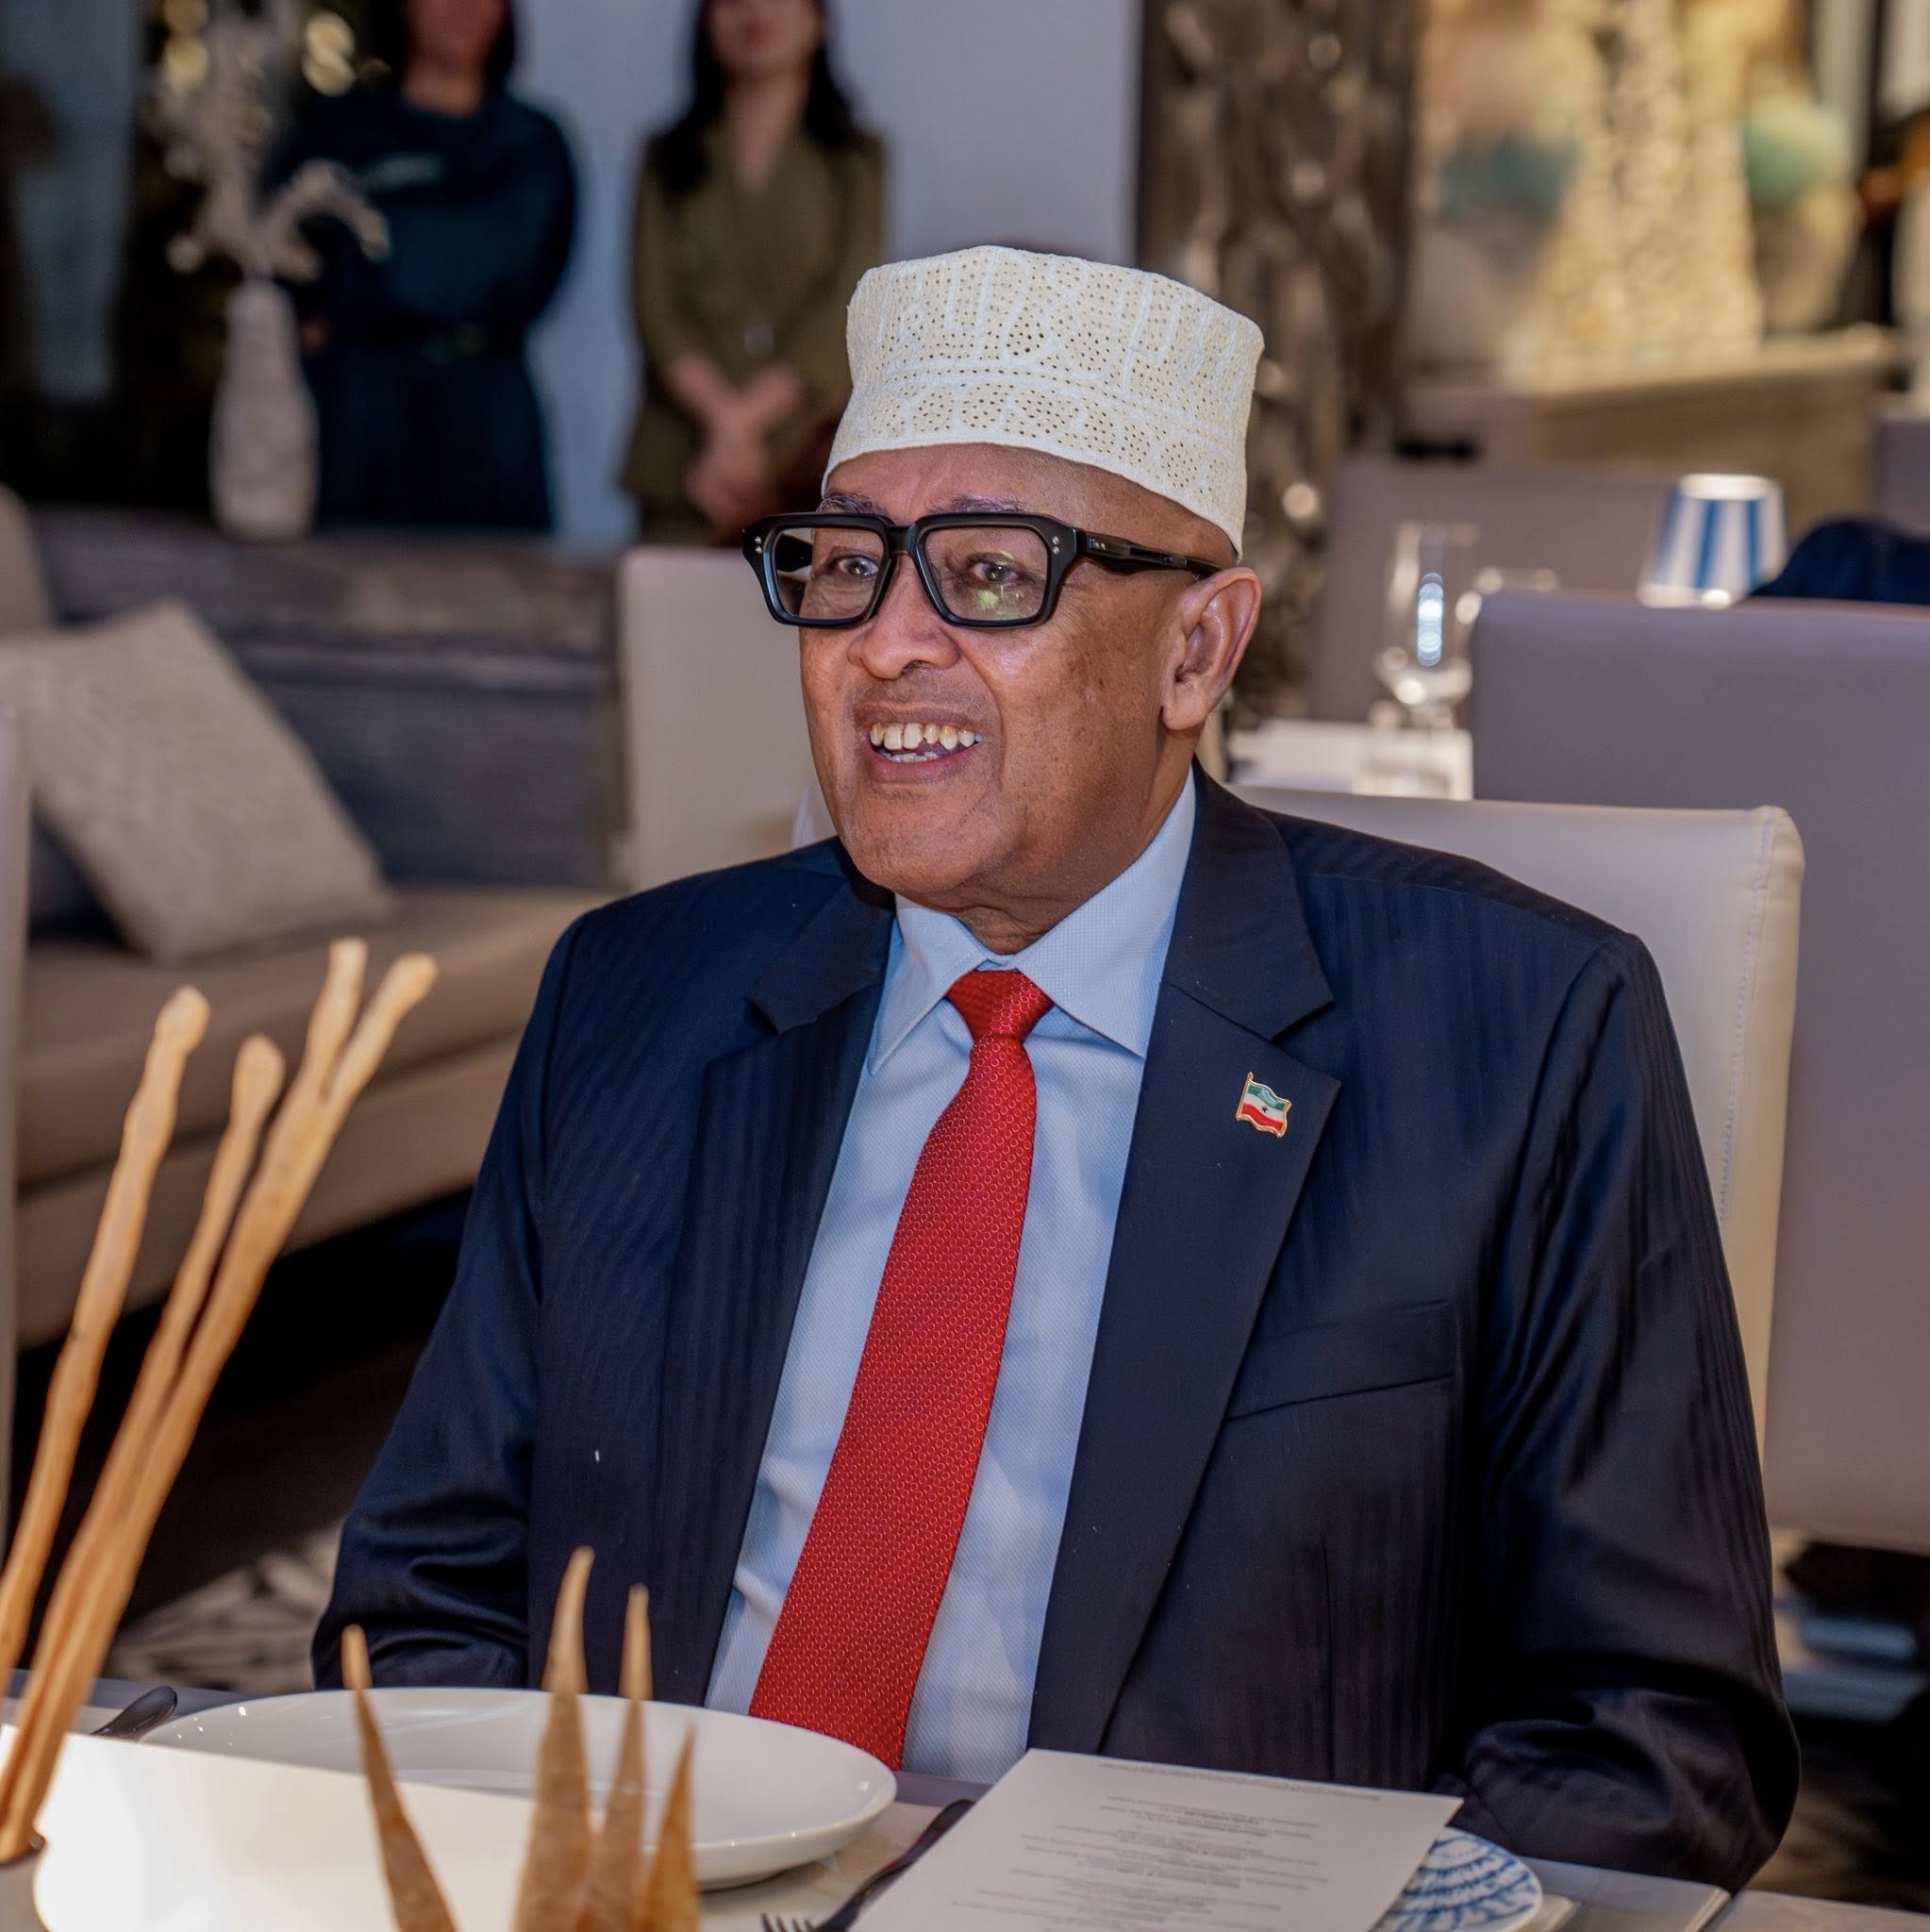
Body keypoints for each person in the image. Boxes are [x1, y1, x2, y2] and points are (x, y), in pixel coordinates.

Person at [319, 245, 1796, 1889]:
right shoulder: (638, 999)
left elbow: (1652, 1740)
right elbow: (424, 1605)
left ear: (1197, 651)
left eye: (987, 574)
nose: (884, 645)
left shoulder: (1517, 1035)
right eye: (844, 564)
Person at [278, 0, 575, 529]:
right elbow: (286, 259)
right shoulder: (338, 133)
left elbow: (510, 270)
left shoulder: (531, 143)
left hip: (486, 427)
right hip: (357, 421)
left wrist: (367, 277)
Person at [625, 0, 883, 543]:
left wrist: (742, 424)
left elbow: (849, 303)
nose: (755, 11)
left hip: (807, 463)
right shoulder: (666, 156)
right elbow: (655, 310)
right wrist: (725, 422)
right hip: (682, 461)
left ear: (817, 21)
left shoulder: (857, 160)